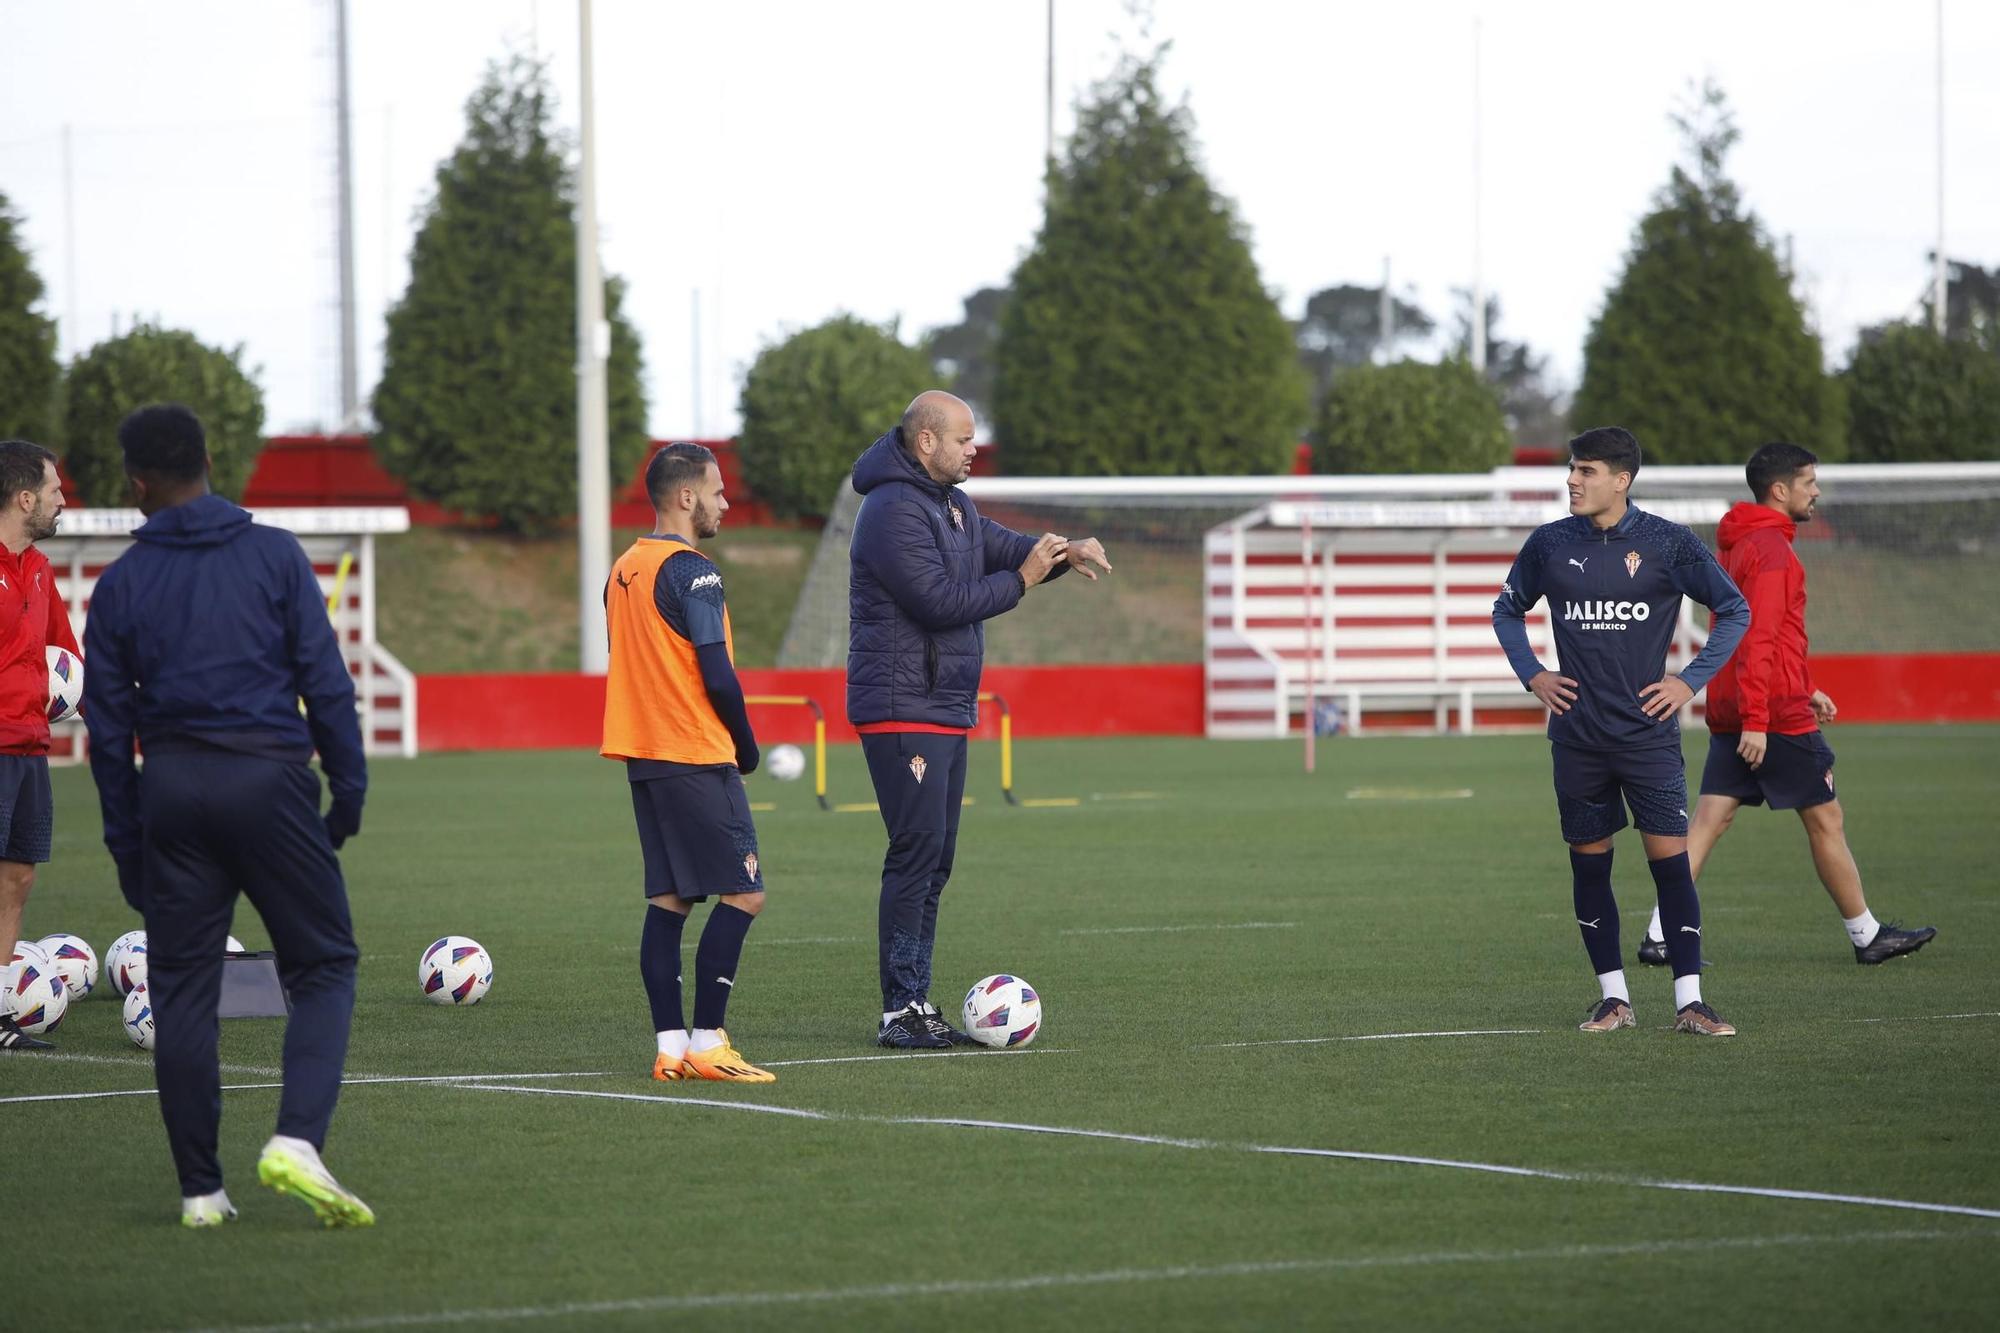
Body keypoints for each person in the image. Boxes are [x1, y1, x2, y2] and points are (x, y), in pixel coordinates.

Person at [82, 404, 371, 1228]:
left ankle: (201, 1193)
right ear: (209, 458)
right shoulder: (275, 554)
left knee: (180, 987)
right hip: (269, 782)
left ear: (137, 482)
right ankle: (296, 1140)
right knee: (324, 964)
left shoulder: (122, 582)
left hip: (172, 792)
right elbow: (327, 682)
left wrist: (125, 845)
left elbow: (108, 736)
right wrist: (345, 795)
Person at [848, 391, 1112, 1048]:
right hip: (900, 706)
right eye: (964, 438)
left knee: (935, 858)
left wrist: (1063, 550)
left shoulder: (955, 506)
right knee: (914, 853)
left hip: (942, 705)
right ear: (925, 442)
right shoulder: (888, 510)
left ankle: (916, 1003)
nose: (974, 448)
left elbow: (1009, 550)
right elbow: (939, 602)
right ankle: (899, 1010)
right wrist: (1023, 579)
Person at [1635, 442, 1936, 967]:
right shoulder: (1773, 551)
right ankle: (1867, 936)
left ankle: (1660, 934)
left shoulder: (1736, 543)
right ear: (1780, 490)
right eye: (1809, 482)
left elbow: (1756, 632)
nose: (1816, 491)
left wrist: (1804, 686)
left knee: (1709, 820)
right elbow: (1760, 637)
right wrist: (1762, 718)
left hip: (1739, 701)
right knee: (1826, 820)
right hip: (1769, 714)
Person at [1492, 427, 1750, 1037]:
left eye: (1585, 471)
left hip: (1648, 738)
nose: (1572, 481)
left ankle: (1691, 1002)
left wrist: (1689, 682)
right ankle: (1613, 999)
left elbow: (1734, 608)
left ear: (1621, 479)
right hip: (1577, 739)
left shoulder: (1667, 542)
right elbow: (1506, 609)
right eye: (1572, 470)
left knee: (1671, 867)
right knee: (1590, 867)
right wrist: (1533, 674)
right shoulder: (1549, 543)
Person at [603, 442, 775, 1084]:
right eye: (718, 490)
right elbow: (718, 672)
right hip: (695, 750)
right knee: (746, 892)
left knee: (671, 899)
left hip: (644, 753)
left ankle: (671, 1048)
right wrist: (746, 741)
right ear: (685, 497)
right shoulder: (693, 570)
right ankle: (708, 1042)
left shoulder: (623, 568)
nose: (725, 502)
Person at [0, 439, 80, 1052]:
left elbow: (67, 658)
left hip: (29, 744)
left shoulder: (39, 569)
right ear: (25, 498)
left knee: (18, 876)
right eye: (54, 492)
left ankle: (1, 1010)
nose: (61, 502)